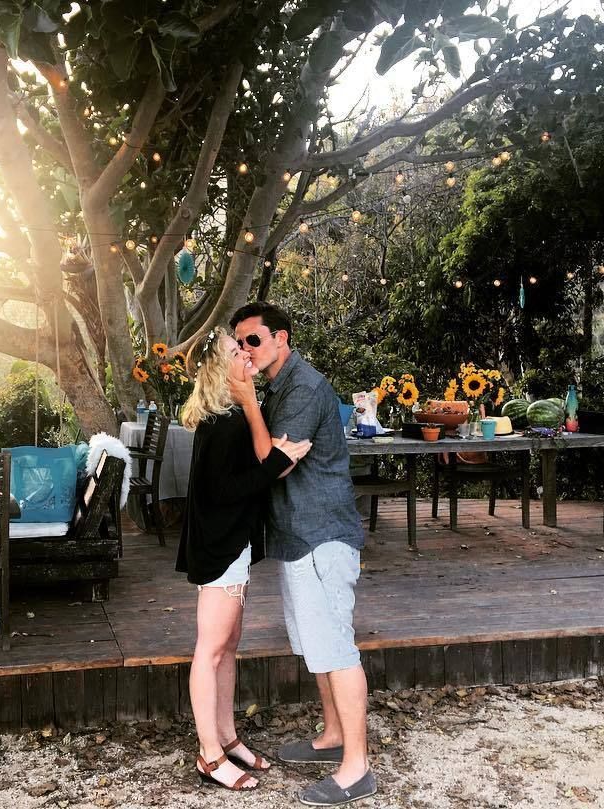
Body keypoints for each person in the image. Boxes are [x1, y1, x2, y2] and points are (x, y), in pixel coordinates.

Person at [230, 301, 375, 807]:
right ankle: (333, 735)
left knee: (336, 648)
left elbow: (276, 463)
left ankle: (356, 768)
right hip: (299, 536)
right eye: (239, 343)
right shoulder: (278, 386)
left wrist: (247, 401)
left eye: (253, 340)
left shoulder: (305, 388)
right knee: (318, 646)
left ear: (281, 339)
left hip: (321, 535)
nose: (245, 350)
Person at [175, 327, 313, 792]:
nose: (247, 355)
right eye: (237, 351)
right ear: (221, 367)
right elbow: (224, 491)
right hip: (219, 548)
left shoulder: (232, 415)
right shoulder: (222, 423)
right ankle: (209, 755)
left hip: (232, 544)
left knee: (228, 645)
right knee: (210, 649)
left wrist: (273, 457)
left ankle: (227, 737)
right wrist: (277, 462)